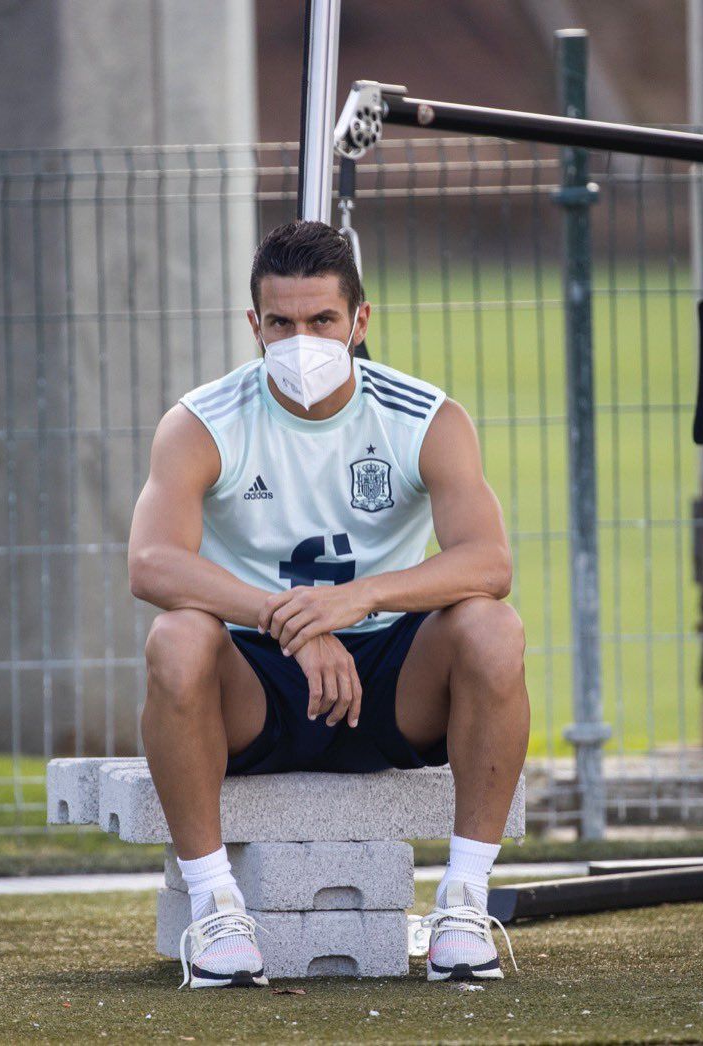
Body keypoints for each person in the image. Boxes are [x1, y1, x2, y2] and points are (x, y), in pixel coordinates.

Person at [127, 220, 530, 988]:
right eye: (279, 323)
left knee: (491, 628)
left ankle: (463, 903)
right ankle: (216, 909)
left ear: (360, 321)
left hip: (388, 675)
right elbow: (150, 564)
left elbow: (491, 561)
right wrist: (291, 620)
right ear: (254, 325)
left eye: (320, 321)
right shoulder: (203, 420)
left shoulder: (425, 417)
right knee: (176, 639)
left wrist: (356, 599)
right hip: (255, 678)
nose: (299, 340)